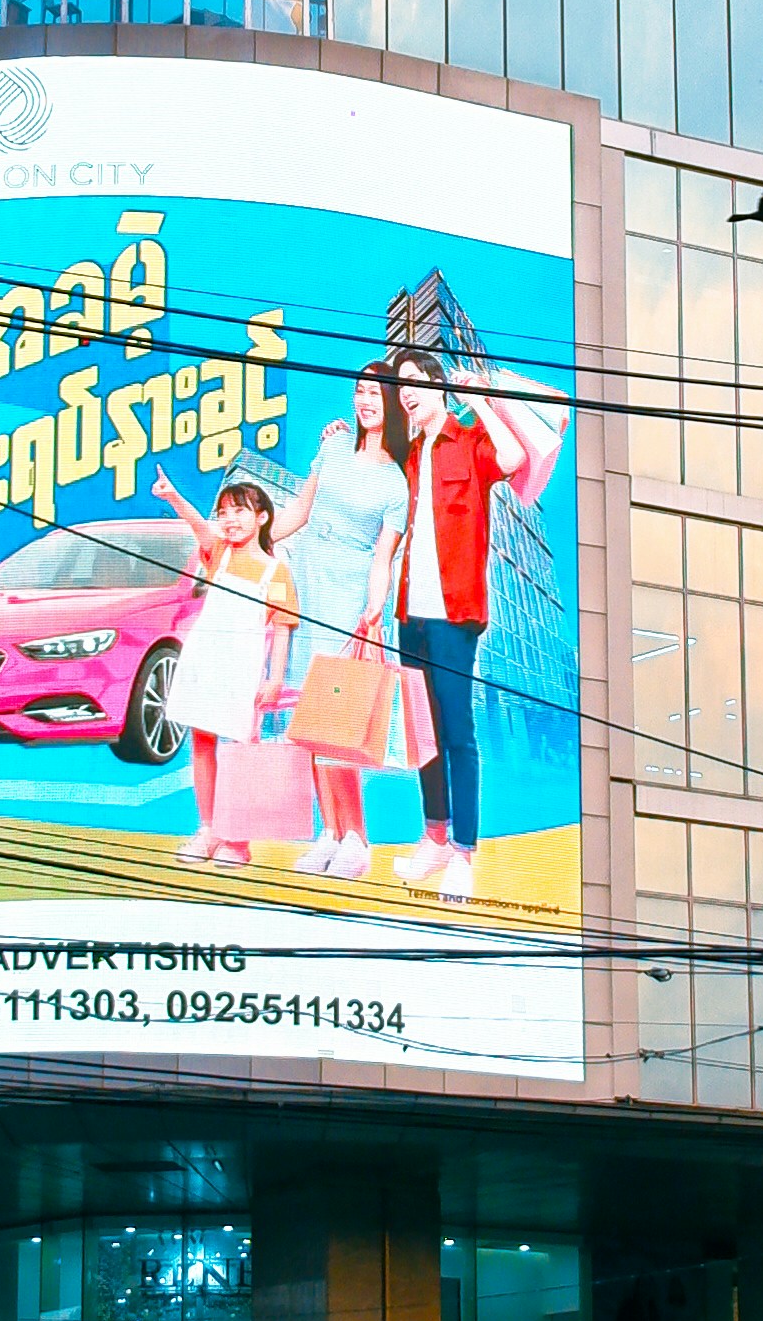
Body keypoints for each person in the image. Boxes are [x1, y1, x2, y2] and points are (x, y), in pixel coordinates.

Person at [387, 344, 564, 902]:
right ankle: (434, 837)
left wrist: (480, 398)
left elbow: (511, 459)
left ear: (438, 385)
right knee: (424, 732)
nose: (407, 393)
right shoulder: (412, 452)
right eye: (400, 385)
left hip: (454, 613)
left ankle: (464, 852)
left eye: (415, 381)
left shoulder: (468, 440)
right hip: (410, 614)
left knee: (458, 734)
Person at [273, 367, 409, 872]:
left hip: (347, 597)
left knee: (338, 717)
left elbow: (383, 557)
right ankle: (328, 832)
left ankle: (357, 839)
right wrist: (256, 543)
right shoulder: (332, 447)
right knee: (309, 716)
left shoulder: (397, 483)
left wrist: (374, 609)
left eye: (376, 393)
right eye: (360, 390)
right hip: (308, 582)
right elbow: (299, 510)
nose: (366, 400)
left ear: (393, 403)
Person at [157, 460, 297, 861]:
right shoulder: (219, 555)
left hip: (243, 670)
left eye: (240, 510)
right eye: (223, 512)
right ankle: (208, 830)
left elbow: (283, 627)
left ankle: (238, 839)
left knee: (241, 751)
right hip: (205, 661)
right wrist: (173, 497)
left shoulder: (276, 571)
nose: (230, 519)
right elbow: (197, 526)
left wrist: (274, 679)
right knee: (202, 743)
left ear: (263, 517)